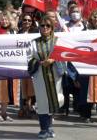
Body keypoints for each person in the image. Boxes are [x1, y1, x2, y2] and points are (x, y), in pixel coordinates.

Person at [28, 11, 65, 139]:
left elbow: (63, 56)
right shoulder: (34, 42)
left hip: (54, 76)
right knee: (43, 103)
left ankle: (50, 126)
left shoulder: (58, 41)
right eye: (42, 25)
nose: (45, 28)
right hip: (40, 77)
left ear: (52, 28)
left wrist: (54, 60)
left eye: (47, 26)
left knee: (55, 101)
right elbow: (29, 58)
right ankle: (44, 129)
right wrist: (39, 62)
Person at [77, 9, 97, 123]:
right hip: (88, 65)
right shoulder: (85, 31)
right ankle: (86, 114)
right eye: (95, 17)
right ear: (91, 19)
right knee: (87, 89)